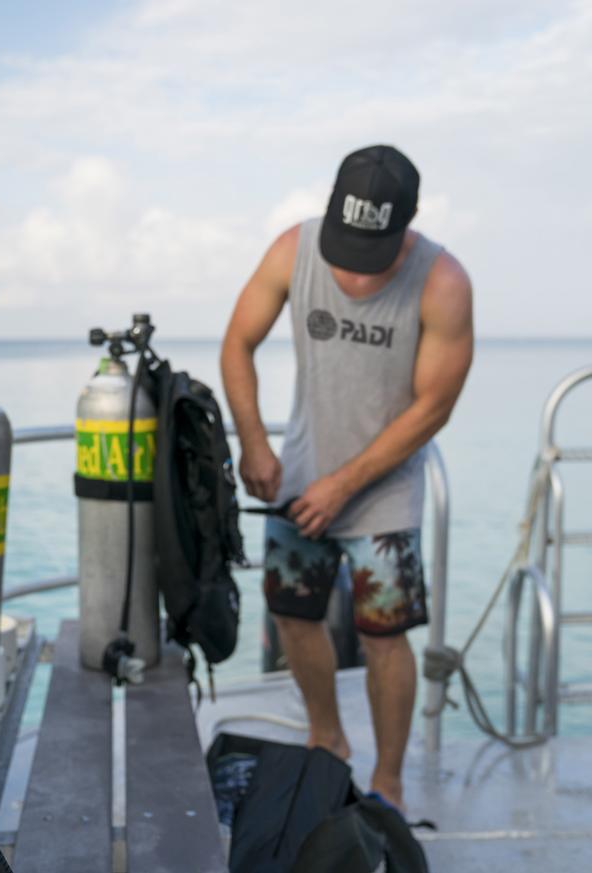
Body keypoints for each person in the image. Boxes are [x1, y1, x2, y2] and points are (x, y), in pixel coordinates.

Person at [220, 145, 473, 808]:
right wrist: (253, 443)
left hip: (384, 492)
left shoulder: (443, 281)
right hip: (300, 477)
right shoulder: (292, 250)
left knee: (384, 633)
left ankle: (388, 779)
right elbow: (237, 342)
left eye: (373, 256)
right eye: (347, 249)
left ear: (406, 226)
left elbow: (434, 406)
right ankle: (327, 738)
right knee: (291, 612)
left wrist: (346, 483)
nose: (356, 278)